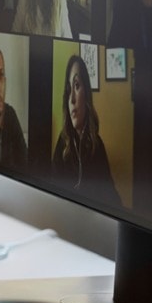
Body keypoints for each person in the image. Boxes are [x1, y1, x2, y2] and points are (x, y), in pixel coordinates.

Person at [51, 55, 122, 207]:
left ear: (87, 94)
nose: (72, 100)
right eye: (69, 90)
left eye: (77, 86)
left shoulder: (97, 147)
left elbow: (111, 197)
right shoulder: (62, 144)